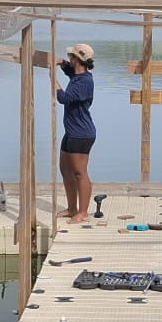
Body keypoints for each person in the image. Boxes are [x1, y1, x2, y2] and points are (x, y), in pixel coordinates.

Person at [53, 42, 96, 220]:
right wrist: (62, 63)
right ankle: (72, 208)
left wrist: (52, 78)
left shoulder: (85, 82)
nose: (68, 57)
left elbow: (64, 98)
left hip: (82, 134)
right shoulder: (78, 76)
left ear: (76, 59)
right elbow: (71, 72)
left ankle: (83, 212)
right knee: (65, 170)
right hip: (71, 132)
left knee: (79, 173)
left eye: (70, 56)